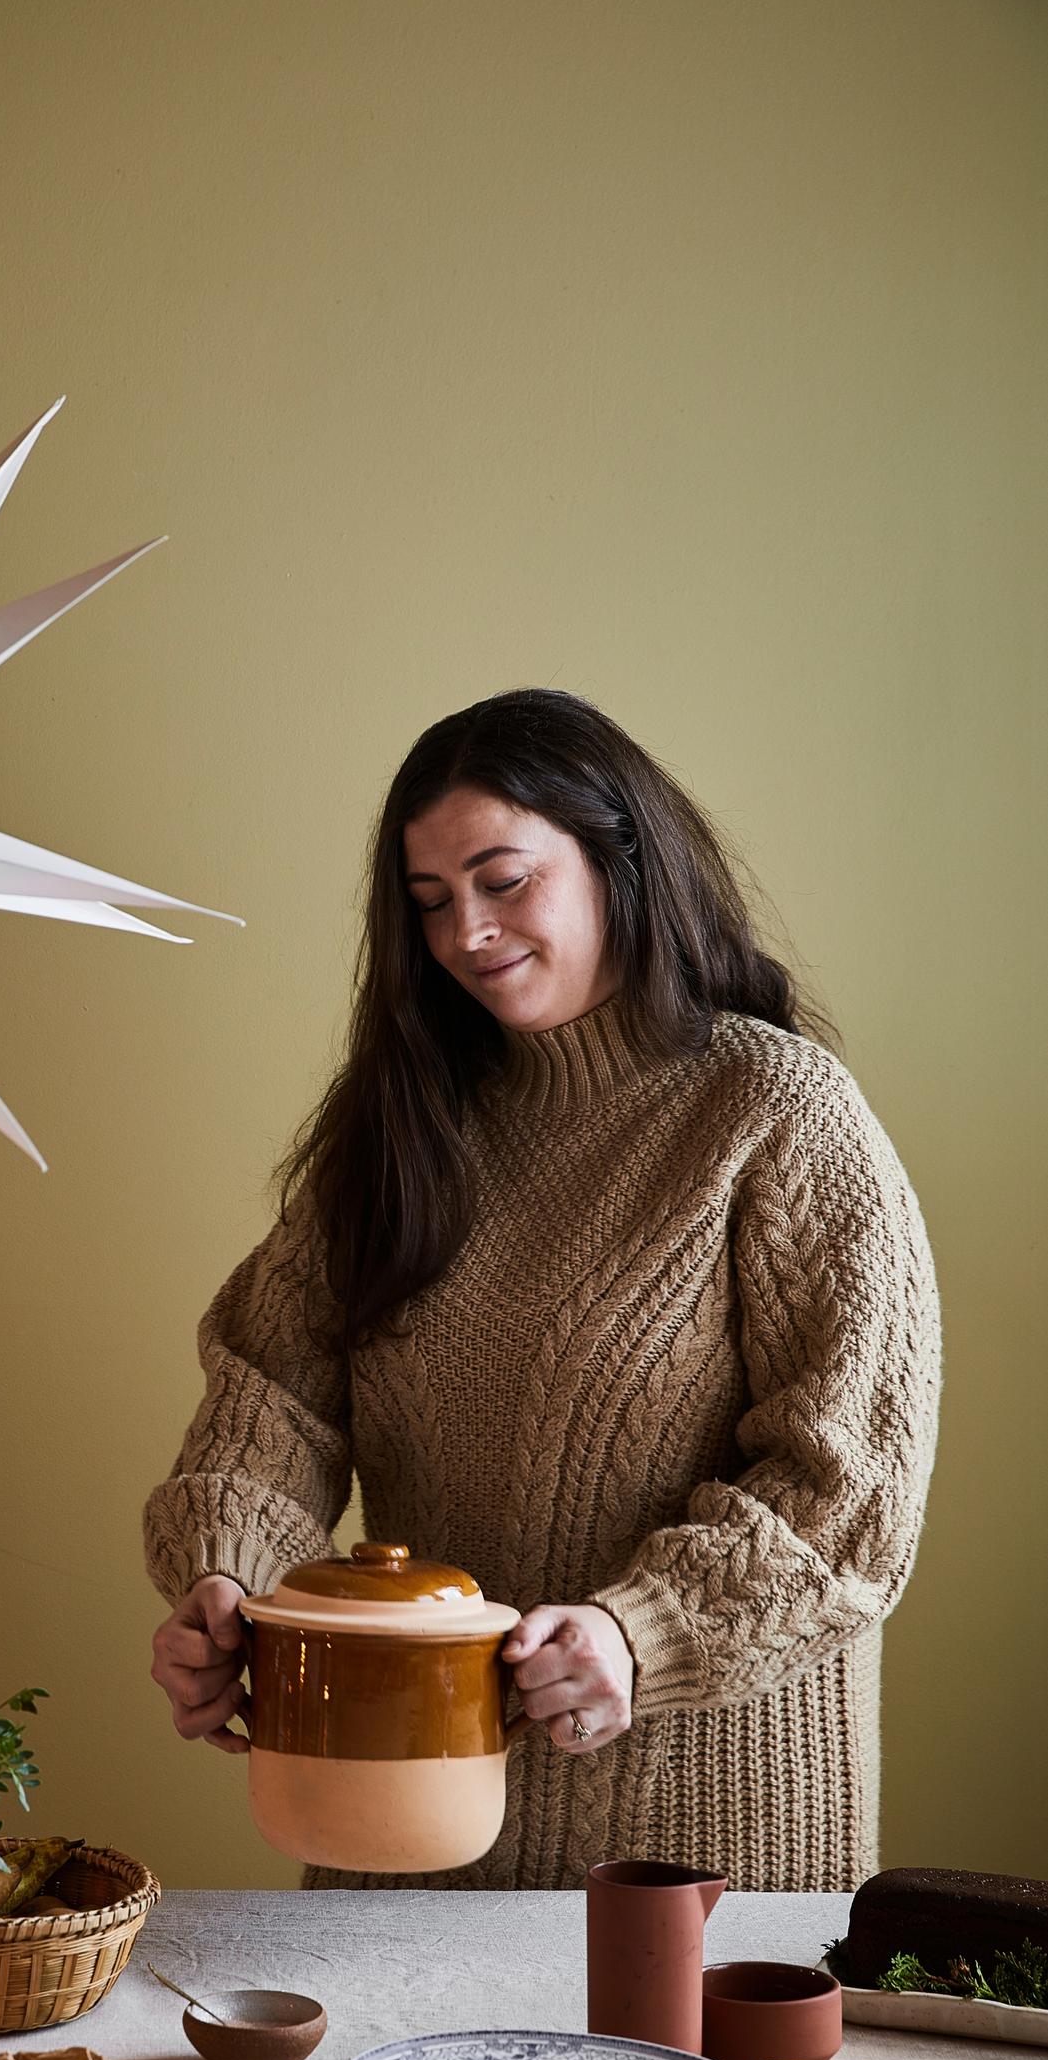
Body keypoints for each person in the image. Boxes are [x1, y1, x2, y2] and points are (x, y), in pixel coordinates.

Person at [144, 688, 941, 1891]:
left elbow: (850, 1492)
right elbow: (272, 1397)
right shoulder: (403, 1135)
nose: (466, 930)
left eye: (502, 879)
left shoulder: (777, 1115)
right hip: (398, 1821)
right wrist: (231, 1583)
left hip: (703, 1847)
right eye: (429, 903)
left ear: (619, 857)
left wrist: (642, 1631)